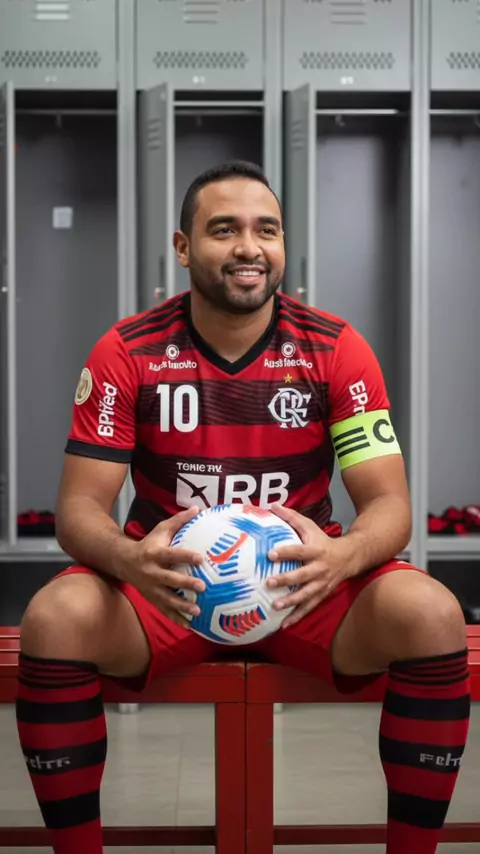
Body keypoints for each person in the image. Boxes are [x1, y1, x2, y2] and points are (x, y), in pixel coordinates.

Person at [16, 160, 469, 854]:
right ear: (183, 247)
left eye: (267, 230)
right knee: (53, 618)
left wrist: (341, 556)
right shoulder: (127, 351)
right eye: (224, 230)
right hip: (165, 592)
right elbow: (78, 508)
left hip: (304, 588)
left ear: (283, 244)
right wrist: (131, 561)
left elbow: (389, 505)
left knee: (432, 613)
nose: (249, 248)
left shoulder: (336, 349)